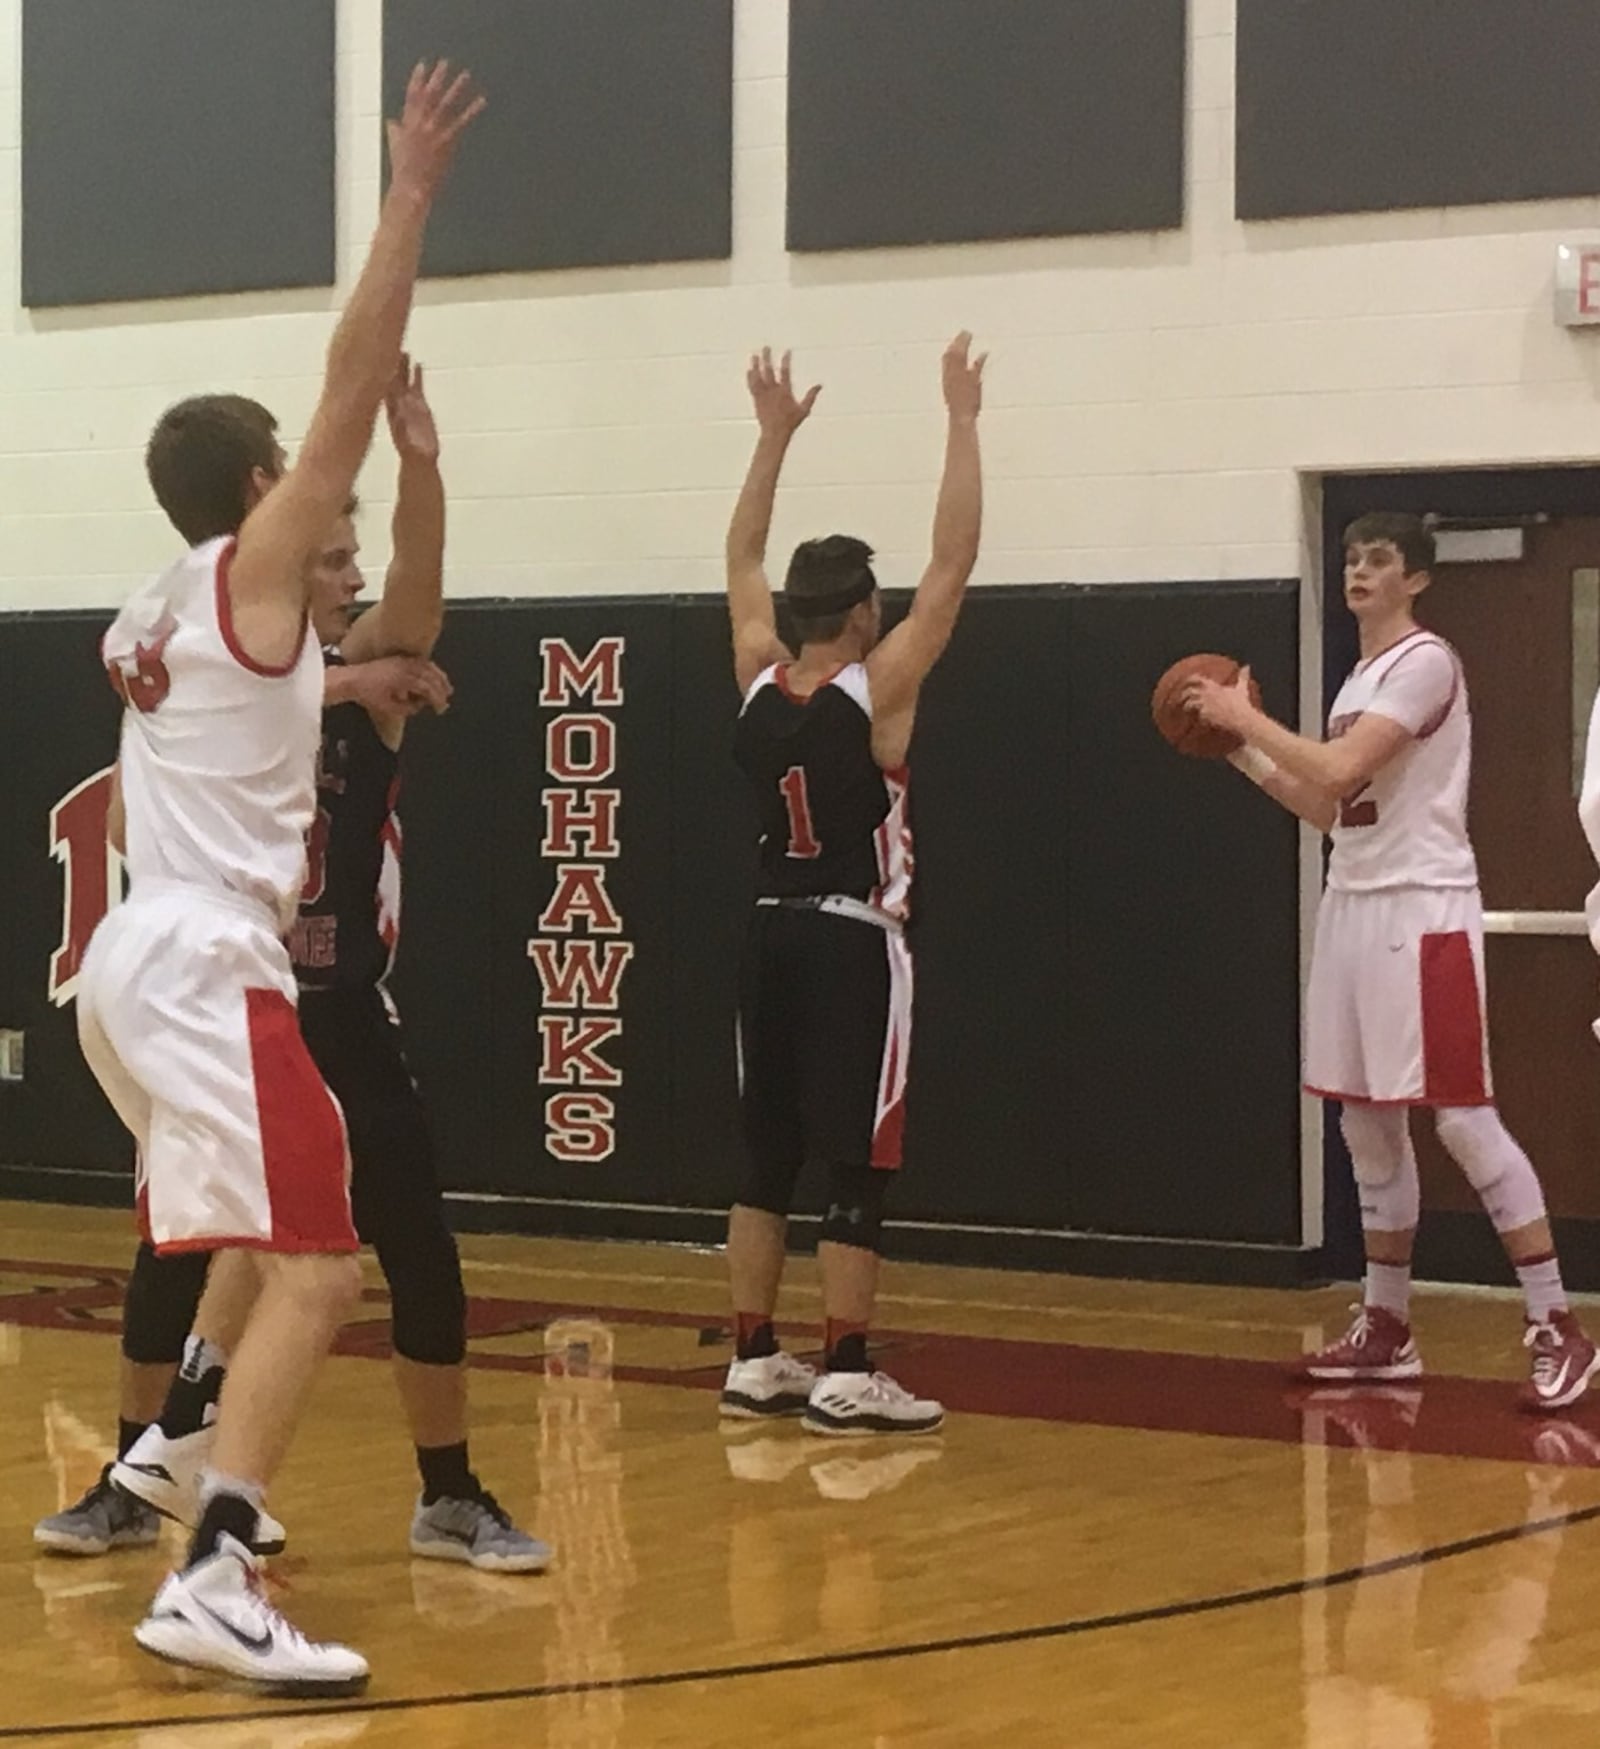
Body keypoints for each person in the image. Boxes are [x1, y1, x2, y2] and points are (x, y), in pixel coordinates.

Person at [70, 61, 484, 1693]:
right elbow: (348, 367)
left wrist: (359, 679)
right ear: (262, 493)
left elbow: (272, 682)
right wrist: (410, 198)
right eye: (312, 490)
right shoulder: (256, 556)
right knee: (324, 1255)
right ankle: (217, 1560)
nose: (332, 505)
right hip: (204, 954)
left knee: (258, 1228)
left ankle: (176, 1439)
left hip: (131, 961)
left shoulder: (161, 603)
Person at [38, 365, 547, 1578]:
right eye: (331, 556)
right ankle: (144, 1472)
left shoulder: (347, 668)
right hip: (220, 981)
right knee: (192, 1246)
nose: (350, 574)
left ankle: (446, 1490)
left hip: (328, 997)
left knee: (405, 1245)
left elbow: (408, 612)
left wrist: (421, 469)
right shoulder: (236, 650)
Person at [1187, 511, 1597, 1411]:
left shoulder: (1424, 662)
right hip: (1355, 901)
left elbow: (1336, 769)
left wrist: (1249, 714)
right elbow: (1333, 806)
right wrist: (1242, 751)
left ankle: (1556, 1321)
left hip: (1423, 911)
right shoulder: (1359, 679)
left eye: (1379, 560)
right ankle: (1388, 1325)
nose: (1360, 570)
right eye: (1351, 558)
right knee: (1365, 1125)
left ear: (1416, 578)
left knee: (1459, 1117)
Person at [718, 335, 984, 1436]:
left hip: (765, 932)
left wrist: (770, 441)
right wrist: (962, 421)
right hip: (851, 937)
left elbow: (738, 559)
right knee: (857, 1156)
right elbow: (954, 565)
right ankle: (846, 1365)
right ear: (863, 613)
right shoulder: (881, 690)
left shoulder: (754, 672)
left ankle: (751, 1356)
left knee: (762, 1156)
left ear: (795, 611)